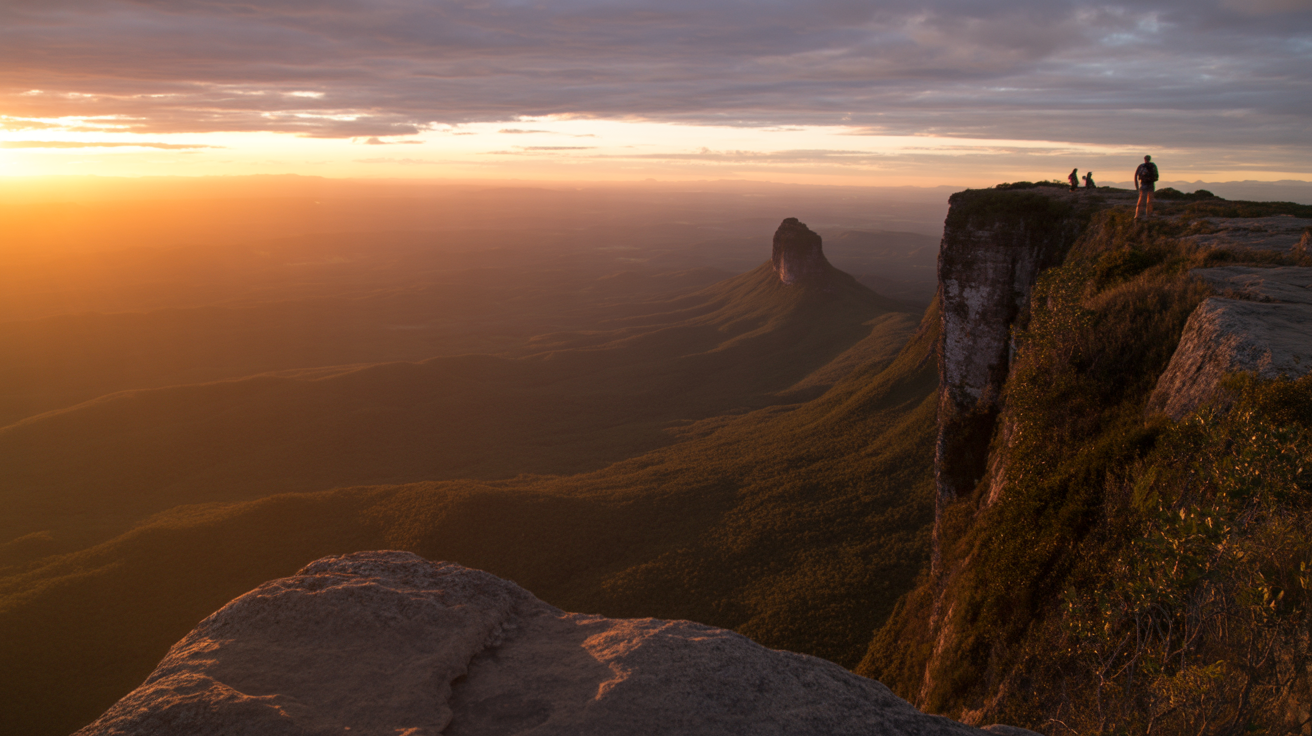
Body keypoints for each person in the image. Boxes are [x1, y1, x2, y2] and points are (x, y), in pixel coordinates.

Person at [1134, 155, 1158, 219]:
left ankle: (1139, 214)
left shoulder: (1141, 166)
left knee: (1142, 199)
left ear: (1144, 159)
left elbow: (1136, 176)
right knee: (1149, 200)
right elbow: (1156, 176)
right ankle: (1149, 213)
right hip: (1150, 184)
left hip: (1144, 184)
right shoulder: (1153, 166)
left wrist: (1136, 186)